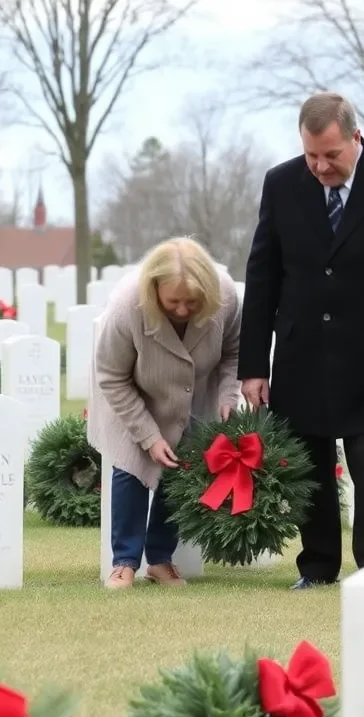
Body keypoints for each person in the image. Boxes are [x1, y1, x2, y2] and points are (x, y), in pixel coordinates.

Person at [238, 91, 364, 590]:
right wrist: (252, 366)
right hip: (300, 353)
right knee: (309, 462)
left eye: (331, 155)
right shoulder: (282, 183)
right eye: (311, 155)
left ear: (356, 137)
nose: (320, 166)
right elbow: (262, 274)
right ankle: (317, 567)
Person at [87, 237, 242, 590]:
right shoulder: (128, 306)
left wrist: (227, 394)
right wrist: (149, 435)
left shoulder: (226, 296)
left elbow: (233, 351)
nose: (184, 310)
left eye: (193, 301)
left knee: (180, 471)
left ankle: (160, 560)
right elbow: (112, 376)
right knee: (132, 468)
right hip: (132, 395)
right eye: (173, 301)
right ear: (154, 288)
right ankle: (123, 563)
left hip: (191, 397)